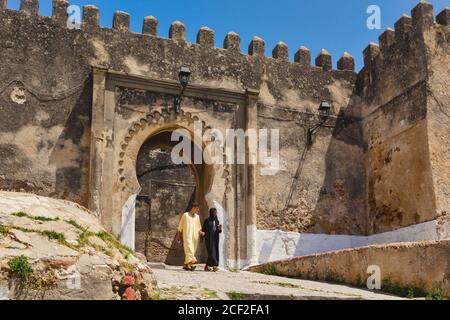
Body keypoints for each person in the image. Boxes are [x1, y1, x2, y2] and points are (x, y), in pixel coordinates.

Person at [175, 203, 204, 271]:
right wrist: (178, 236)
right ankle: (190, 265)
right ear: (193, 208)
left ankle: (186, 265)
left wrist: (201, 232)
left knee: (192, 251)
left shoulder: (197, 217)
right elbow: (180, 227)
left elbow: (199, 227)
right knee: (189, 249)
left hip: (195, 237)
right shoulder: (185, 215)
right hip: (187, 236)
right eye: (197, 208)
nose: (198, 210)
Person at [202, 208, 222, 272]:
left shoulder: (217, 221)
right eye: (214, 212)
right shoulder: (207, 220)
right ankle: (214, 266)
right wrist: (202, 235)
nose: (215, 214)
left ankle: (209, 266)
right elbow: (203, 229)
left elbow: (219, 231)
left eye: (216, 213)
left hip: (215, 239)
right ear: (211, 213)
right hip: (209, 239)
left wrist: (219, 228)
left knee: (215, 252)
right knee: (211, 253)